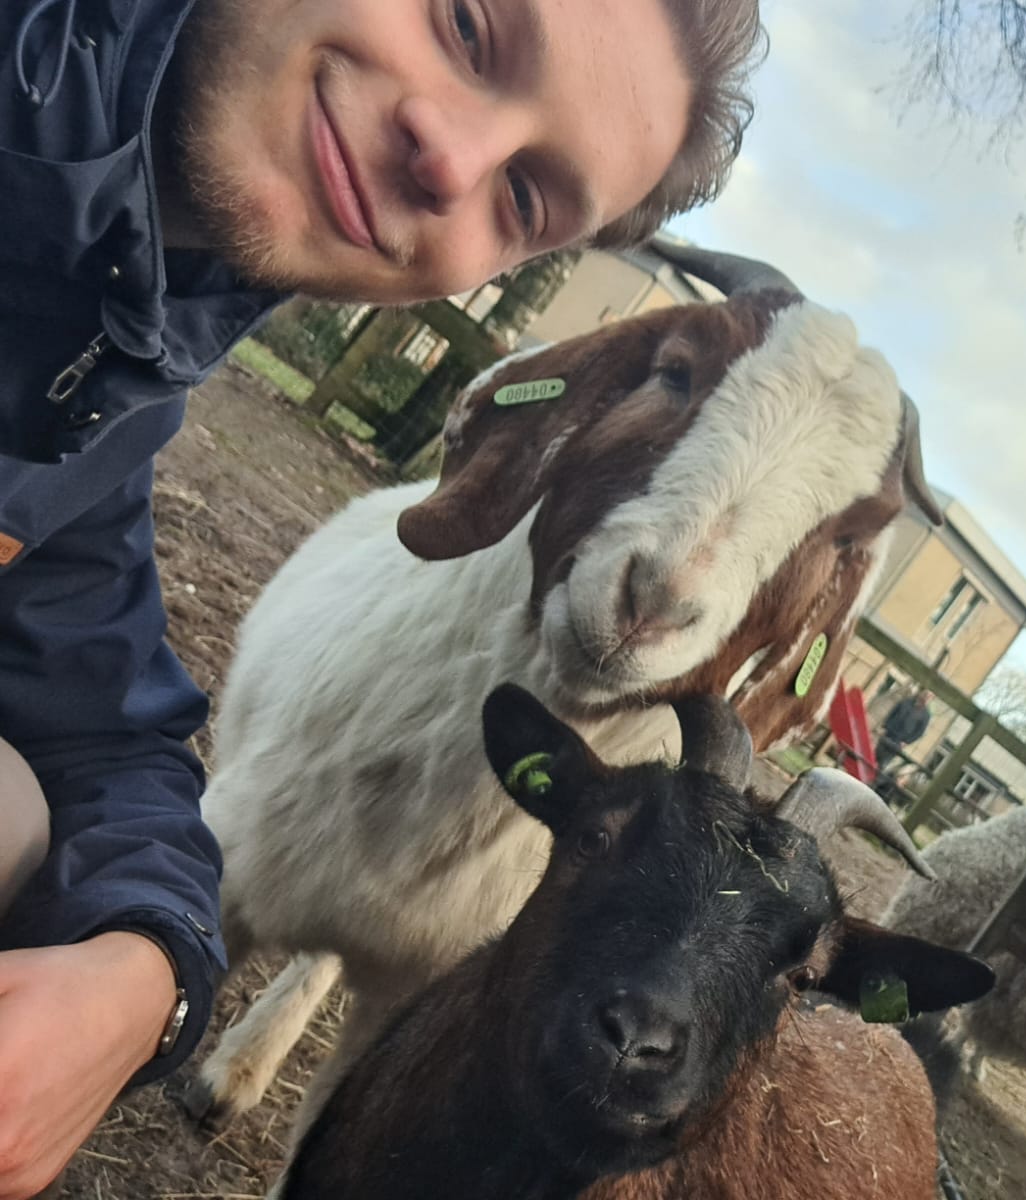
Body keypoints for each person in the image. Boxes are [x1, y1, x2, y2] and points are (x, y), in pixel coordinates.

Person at [0, 0, 765, 1194]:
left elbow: (94, 710)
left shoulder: (111, 369)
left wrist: (148, 975)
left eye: (523, 197)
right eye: (466, 25)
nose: (451, 161)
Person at [874, 690, 933, 788]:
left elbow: (919, 732)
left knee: (884, 762)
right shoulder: (906, 702)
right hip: (889, 733)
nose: (926, 698)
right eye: (925, 695)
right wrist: (884, 726)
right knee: (876, 754)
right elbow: (893, 713)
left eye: (929, 697)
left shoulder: (925, 715)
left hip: (899, 741)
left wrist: (907, 742)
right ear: (920, 694)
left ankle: (873, 781)